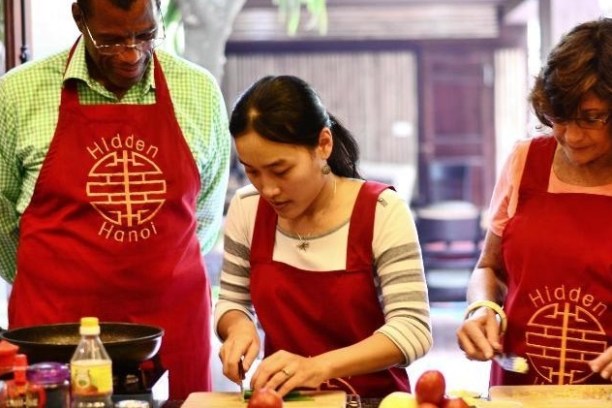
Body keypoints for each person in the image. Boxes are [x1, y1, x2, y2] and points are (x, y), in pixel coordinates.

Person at [0, 0, 230, 399]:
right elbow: (2, 220)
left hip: (172, 331)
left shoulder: (198, 89)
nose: (130, 54)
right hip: (55, 336)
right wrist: (52, 274)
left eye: (145, 35)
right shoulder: (18, 93)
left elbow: (204, 216)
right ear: (79, 18)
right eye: (109, 41)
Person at [214, 75, 432, 398]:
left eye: (281, 170)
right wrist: (238, 326)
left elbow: (413, 330)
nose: (268, 189)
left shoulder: (381, 211)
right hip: (286, 401)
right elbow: (232, 301)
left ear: (323, 145)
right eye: (252, 171)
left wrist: (318, 367)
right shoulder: (247, 209)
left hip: (372, 401)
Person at [456, 18, 612, 386]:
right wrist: (482, 307)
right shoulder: (525, 161)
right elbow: (489, 268)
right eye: (559, 118)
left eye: (591, 119)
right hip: (518, 384)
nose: (571, 137)